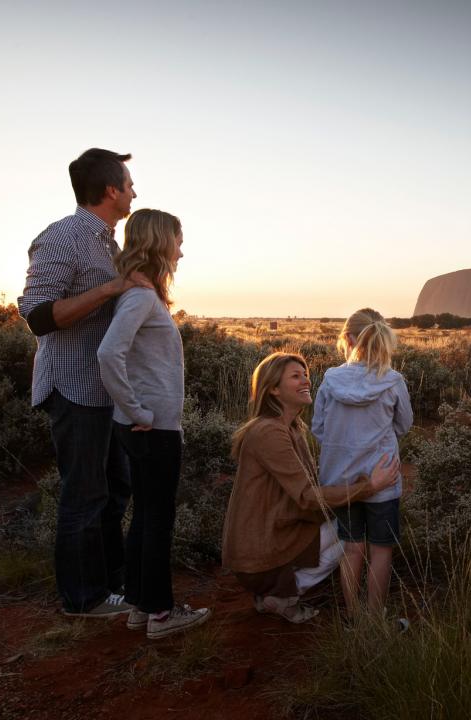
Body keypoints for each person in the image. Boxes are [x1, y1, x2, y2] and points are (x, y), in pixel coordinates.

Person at [17, 148, 148, 617]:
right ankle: (82, 600)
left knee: (114, 490)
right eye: (129, 183)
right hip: (73, 388)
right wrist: (112, 288)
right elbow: (37, 316)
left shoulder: (110, 244)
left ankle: (109, 587)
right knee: (84, 495)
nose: (135, 190)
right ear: (111, 189)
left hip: (105, 390)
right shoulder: (64, 237)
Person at [97, 209, 210, 639]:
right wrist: (138, 410)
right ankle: (162, 613)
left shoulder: (142, 294)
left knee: (145, 515)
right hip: (151, 428)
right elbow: (109, 355)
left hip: (144, 425)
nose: (182, 250)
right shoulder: (141, 298)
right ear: (161, 242)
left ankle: (140, 607)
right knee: (157, 518)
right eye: (178, 241)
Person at [221, 352, 399, 623]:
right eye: (296, 376)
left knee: (347, 526)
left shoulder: (291, 427)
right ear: (274, 390)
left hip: (272, 537)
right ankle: (283, 595)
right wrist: (369, 486)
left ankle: (275, 592)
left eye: (305, 374)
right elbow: (307, 496)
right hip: (259, 554)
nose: (306, 380)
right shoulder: (269, 432)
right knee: (349, 533)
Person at [312, 308, 413, 617]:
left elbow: (318, 428)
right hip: (383, 479)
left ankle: (353, 616)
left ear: (349, 338)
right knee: (381, 550)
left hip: (342, 482)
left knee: (352, 548)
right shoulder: (393, 381)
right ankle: (374, 616)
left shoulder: (330, 379)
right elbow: (404, 425)